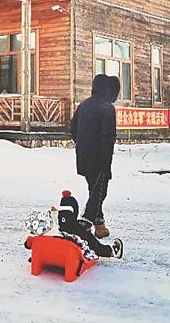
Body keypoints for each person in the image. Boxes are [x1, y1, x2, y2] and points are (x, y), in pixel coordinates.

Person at [69, 74, 120, 239]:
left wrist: (83, 145)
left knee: (94, 191)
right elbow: (108, 138)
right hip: (99, 159)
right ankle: (85, 224)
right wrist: (106, 163)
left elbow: (73, 129)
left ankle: (100, 225)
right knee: (100, 193)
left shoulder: (83, 105)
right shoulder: (107, 108)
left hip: (83, 156)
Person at [55, 190, 122, 258]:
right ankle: (112, 252)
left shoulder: (59, 227)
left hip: (61, 248)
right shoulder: (79, 229)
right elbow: (94, 245)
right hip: (76, 252)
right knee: (89, 239)